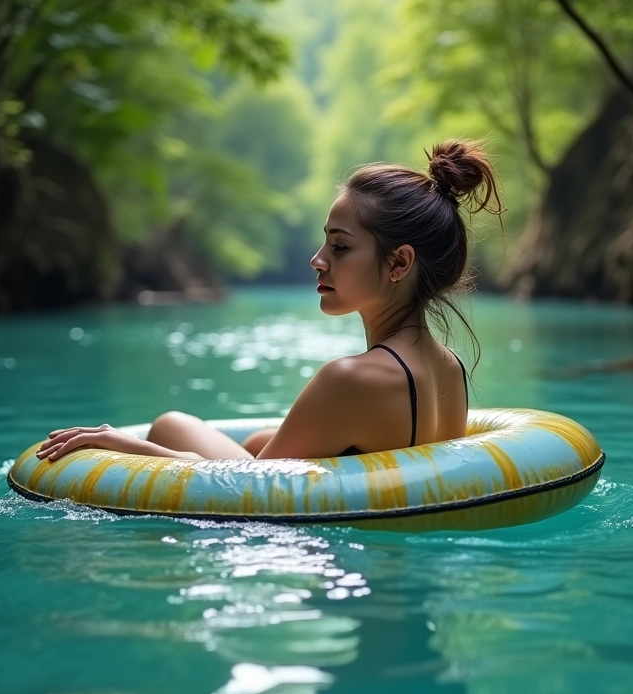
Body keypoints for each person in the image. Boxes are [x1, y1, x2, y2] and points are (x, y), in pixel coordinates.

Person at [37, 139, 503, 464]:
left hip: (337, 568)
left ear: (399, 263)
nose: (317, 260)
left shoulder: (351, 379)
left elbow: (248, 490)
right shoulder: (451, 368)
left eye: (340, 247)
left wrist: (129, 448)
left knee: (170, 424)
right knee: (261, 438)